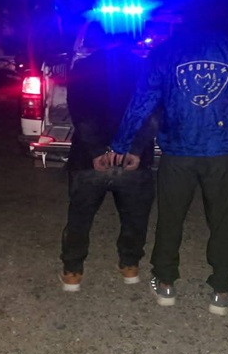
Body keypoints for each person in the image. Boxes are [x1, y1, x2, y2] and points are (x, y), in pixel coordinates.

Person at [110, 0, 228, 316]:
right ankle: (221, 289)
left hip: (178, 151)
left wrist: (121, 142)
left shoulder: (165, 51)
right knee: (224, 220)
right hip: (222, 152)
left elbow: (142, 100)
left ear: (185, 17)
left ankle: (165, 282)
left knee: (171, 217)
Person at [59, 24, 157, 292]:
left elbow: (81, 115)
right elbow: (151, 115)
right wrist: (135, 149)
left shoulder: (82, 68)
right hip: (131, 160)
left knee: (80, 217)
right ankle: (129, 266)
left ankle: (73, 273)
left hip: (89, 160)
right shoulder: (145, 69)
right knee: (135, 217)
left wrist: (96, 151)